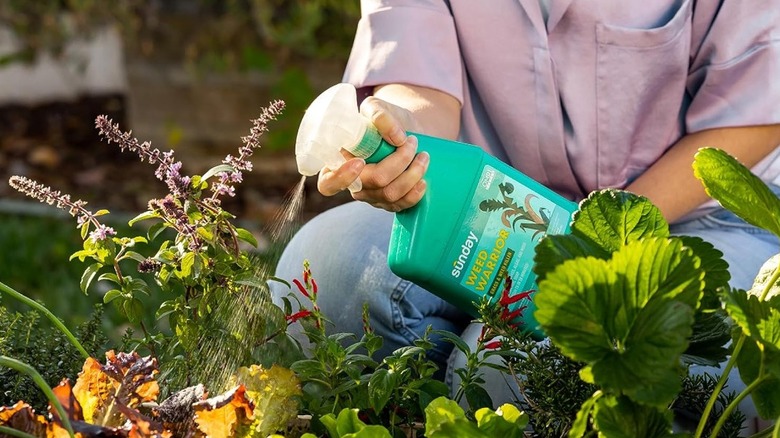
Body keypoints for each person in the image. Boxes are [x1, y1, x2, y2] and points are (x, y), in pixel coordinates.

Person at [272, 0, 780, 432]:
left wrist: (587, 236)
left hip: (694, 216)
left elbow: (755, 112)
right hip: (475, 206)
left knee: (516, 364)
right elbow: (415, 78)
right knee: (323, 272)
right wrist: (401, 134)